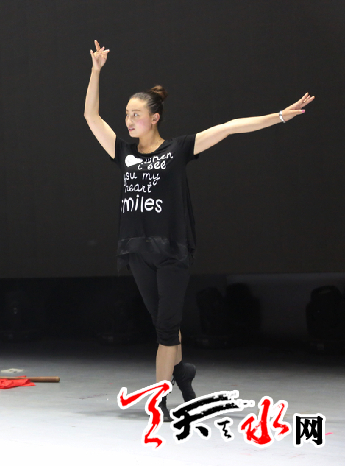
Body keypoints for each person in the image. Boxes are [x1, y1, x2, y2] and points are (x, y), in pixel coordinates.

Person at [83, 40, 313, 420]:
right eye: (126, 114)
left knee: (166, 328)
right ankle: (182, 373)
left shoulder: (178, 149)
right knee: (164, 325)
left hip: (172, 251)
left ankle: (158, 401)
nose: (128, 120)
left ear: (155, 118)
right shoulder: (123, 152)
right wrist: (96, 70)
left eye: (136, 114)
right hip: (138, 251)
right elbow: (91, 117)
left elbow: (229, 128)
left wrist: (279, 116)